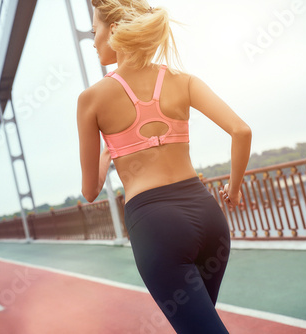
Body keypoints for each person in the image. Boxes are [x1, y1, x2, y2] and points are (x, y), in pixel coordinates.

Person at [77, 1, 252, 332]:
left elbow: (89, 192)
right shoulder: (182, 80)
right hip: (210, 220)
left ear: (114, 31)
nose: (94, 39)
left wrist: (106, 153)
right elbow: (241, 130)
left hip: (157, 227)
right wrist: (236, 187)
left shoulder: (91, 99)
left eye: (94, 30)